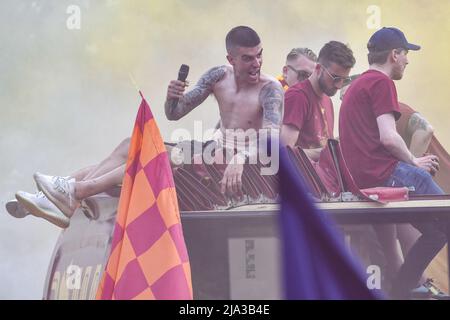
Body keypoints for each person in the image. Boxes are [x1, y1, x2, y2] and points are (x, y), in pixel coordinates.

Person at [8, 26, 284, 228]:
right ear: (230, 59)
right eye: (248, 58)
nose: (257, 63)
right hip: (211, 153)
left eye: (259, 55)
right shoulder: (218, 76)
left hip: (243, 166)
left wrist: (240, 157)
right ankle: (58, 194)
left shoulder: (270, 89)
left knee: (152, 155)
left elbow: (271, 140)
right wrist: (172, 96)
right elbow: (174, 114)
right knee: (131, 144)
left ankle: (72, 193)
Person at [339, 27, 447, 299]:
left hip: (368, 178)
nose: (408, 61)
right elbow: (389, 138)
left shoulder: (359, 85)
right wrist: (414, 162)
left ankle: (402, 290)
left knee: (437, 233)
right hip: (387, 174)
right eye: (406, 54)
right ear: (394, 55)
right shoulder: (381, 82)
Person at [281, 41, 355, 161]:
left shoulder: (327, 100)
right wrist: (329, 152)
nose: (339, 85)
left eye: (344, 79)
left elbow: (320, 142)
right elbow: (283, 153)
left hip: (323, 177)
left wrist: (338, 144)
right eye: (335, 78)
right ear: (319, 68)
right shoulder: (297, 96)